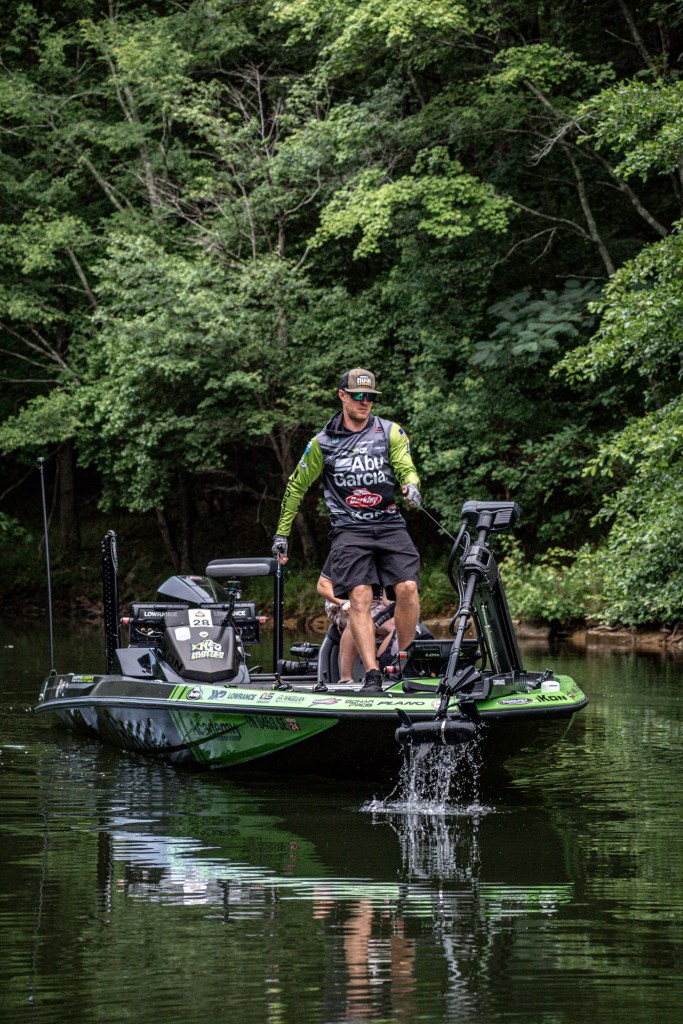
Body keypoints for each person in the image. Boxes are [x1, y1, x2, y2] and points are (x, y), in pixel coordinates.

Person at [272, 367, 421, 693]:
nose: (365, 402)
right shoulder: (322, 443)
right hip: (349, 528)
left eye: (370, 397)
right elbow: (296, 487)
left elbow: (406, 466)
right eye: (358, 396)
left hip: (388, 522)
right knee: (360, 597)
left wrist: (411, 486)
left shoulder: (390, 432)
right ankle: (372, 675)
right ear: (342, 396)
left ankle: (404, 662)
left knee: (408, 587)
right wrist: (282, 534)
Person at [316, 555, 395, 683]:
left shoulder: (384, 554)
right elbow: (322, 586)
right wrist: (342, 602)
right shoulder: (344, 551)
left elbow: (386, 598)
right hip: (342, 600)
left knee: (396, 626)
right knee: (356, 617)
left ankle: (378, 671)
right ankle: (345, 678)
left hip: (374, 603)